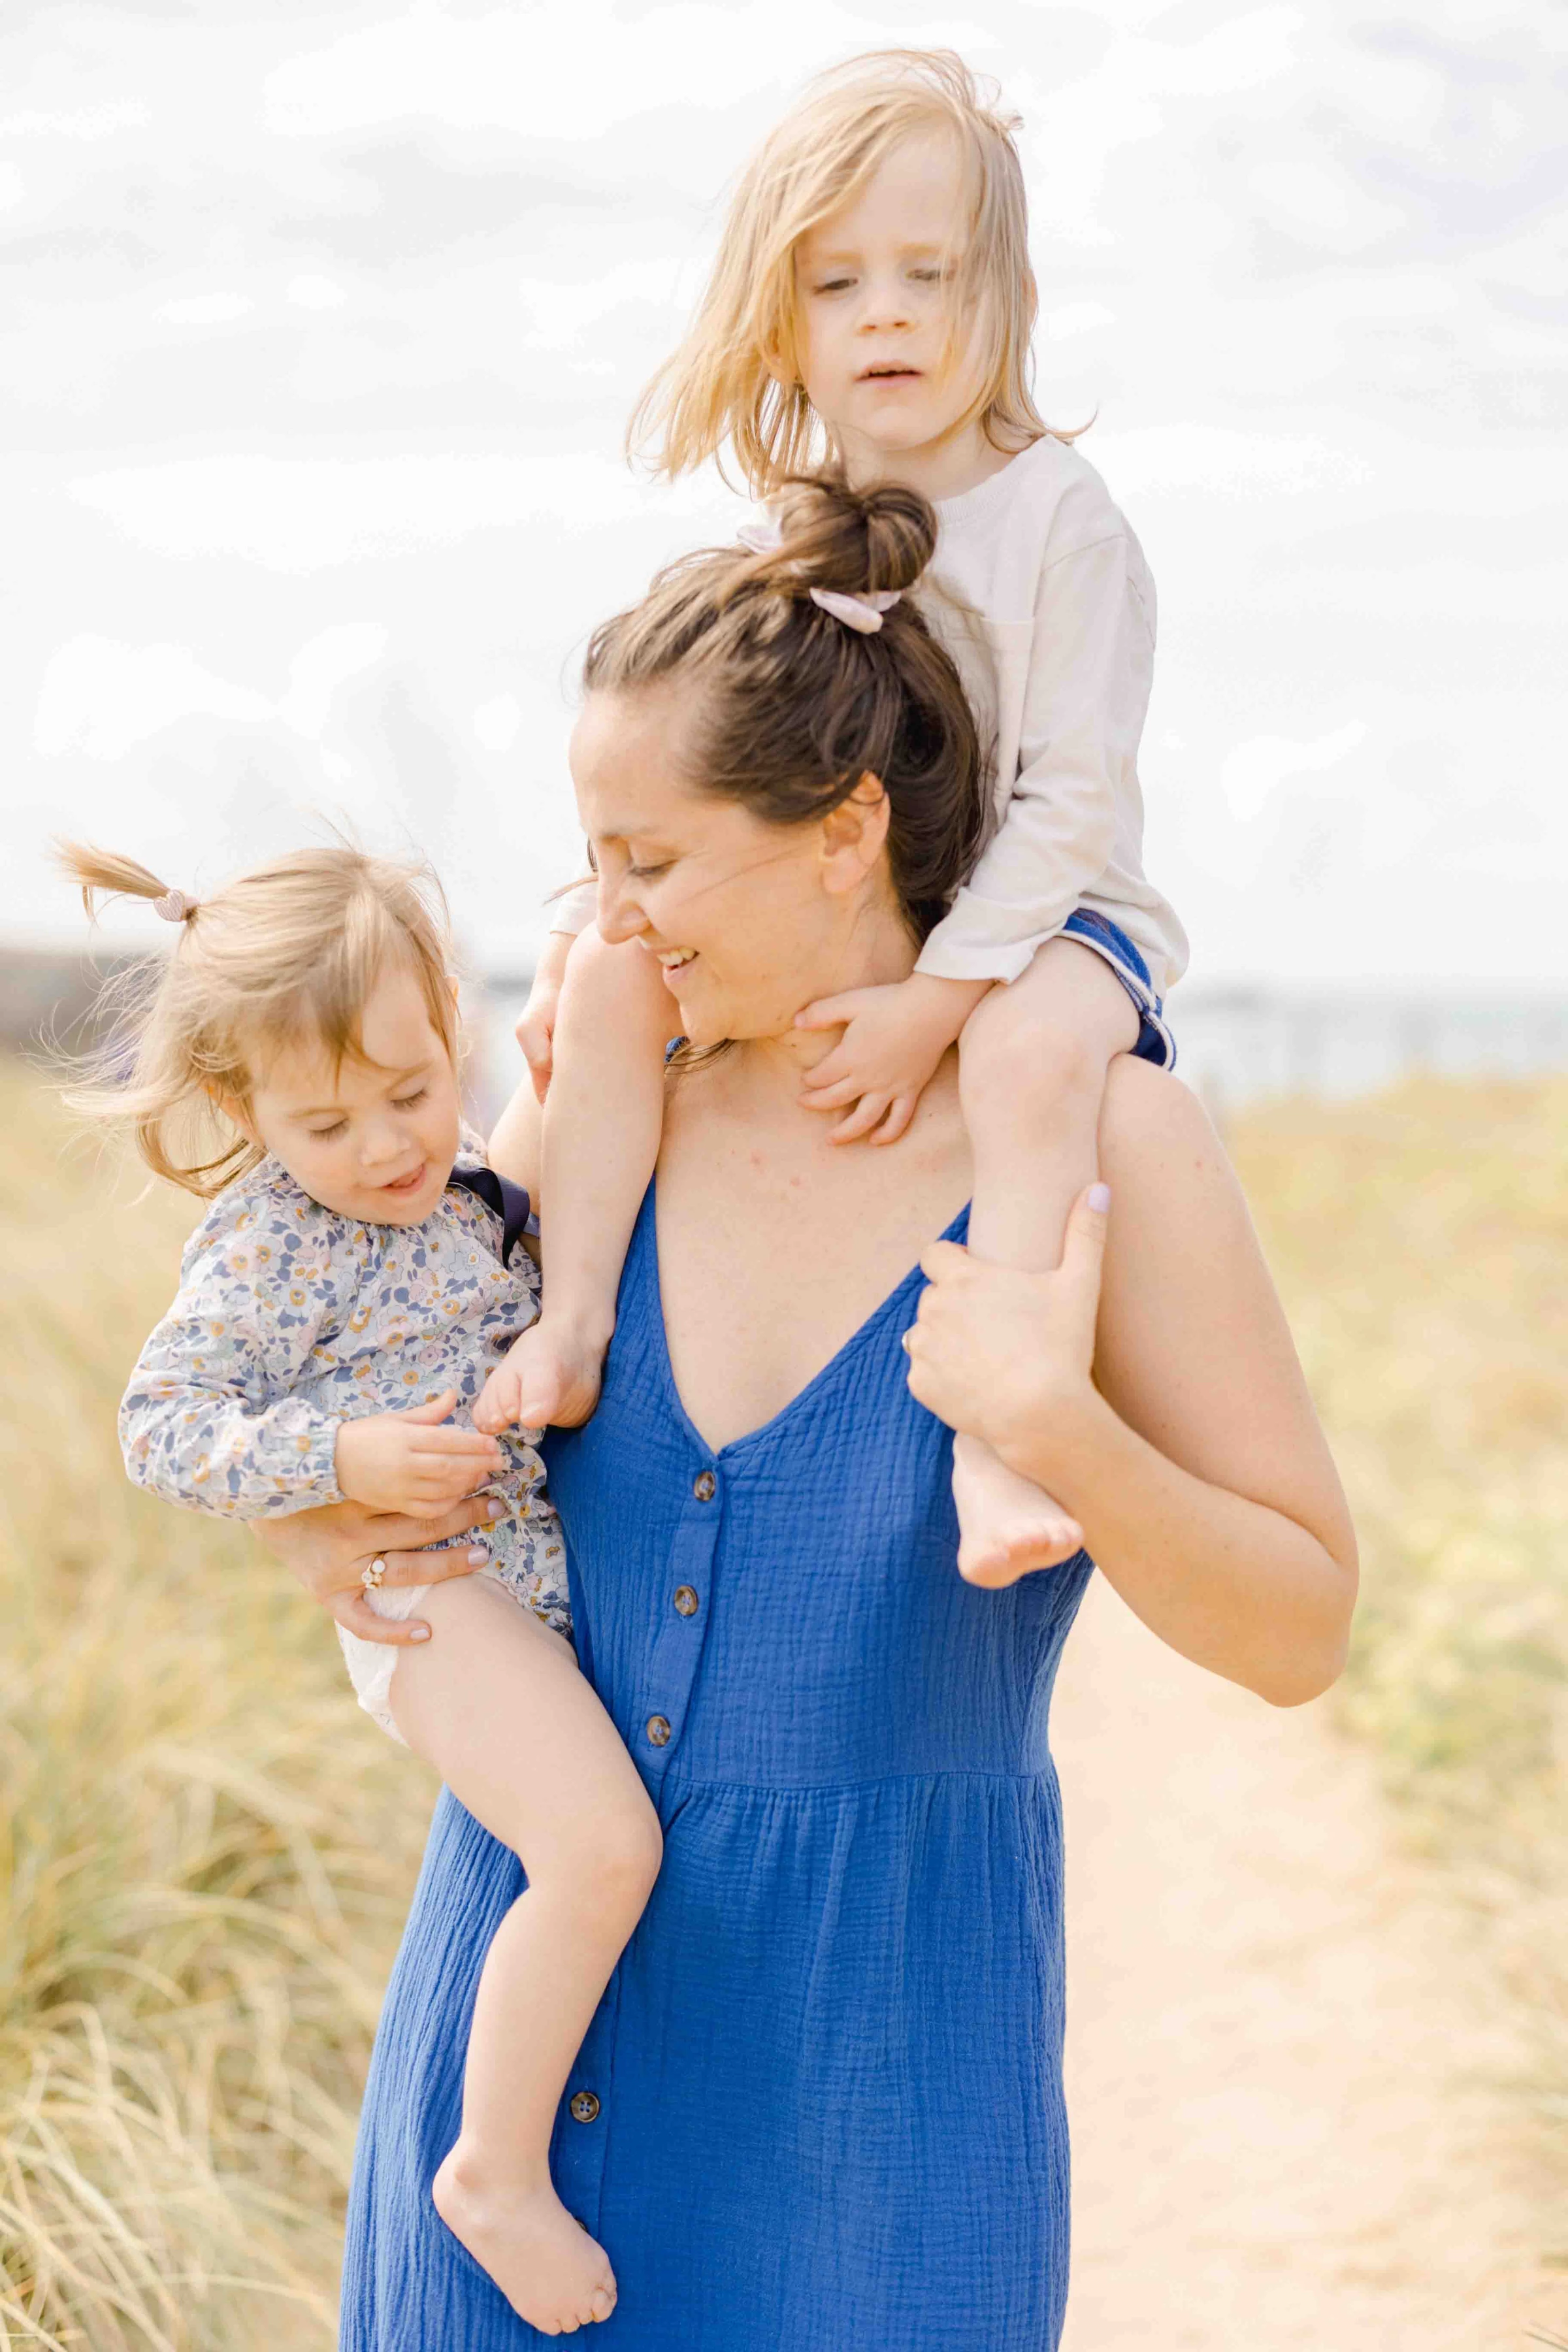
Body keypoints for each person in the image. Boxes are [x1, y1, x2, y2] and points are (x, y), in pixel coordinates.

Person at [259, 476, 1357, 2349]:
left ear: (848, 830)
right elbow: (350, 1430)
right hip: (511, 2111)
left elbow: (1300, 1627)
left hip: (884, 2129)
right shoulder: (600, 1113)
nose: (604, 918)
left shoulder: (1107, 1138)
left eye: (654, 859)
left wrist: (1064, 1433)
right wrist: (328, 1517)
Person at [507, 48, 1187, 1588]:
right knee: (610, 985)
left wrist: (939, 999)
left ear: (999, 298)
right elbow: (701, 758)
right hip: (892, 907)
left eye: (926, 273)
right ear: (782, 320)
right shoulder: (791, 522)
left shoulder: (1061, 519)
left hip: (1059, 916)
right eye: (836, 284)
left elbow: (1073, 799)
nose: (883, 311)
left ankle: (1001, 1431)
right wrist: (575, 935)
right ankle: (572, 1318)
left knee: (1021, 1055)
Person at [61, 841, 660, 2336]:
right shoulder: (272, 1240)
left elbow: (592, 1036)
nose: (389, 1145)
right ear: (243, 1110)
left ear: (449, 1017)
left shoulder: (463, 1189)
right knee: (599, 1848)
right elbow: (162, 1425)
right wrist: (334, 1455)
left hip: (508, 1586)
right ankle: (491, 2170)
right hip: (430, 1599)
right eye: (325, 1122)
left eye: (411, 1088)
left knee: (594, 1844)